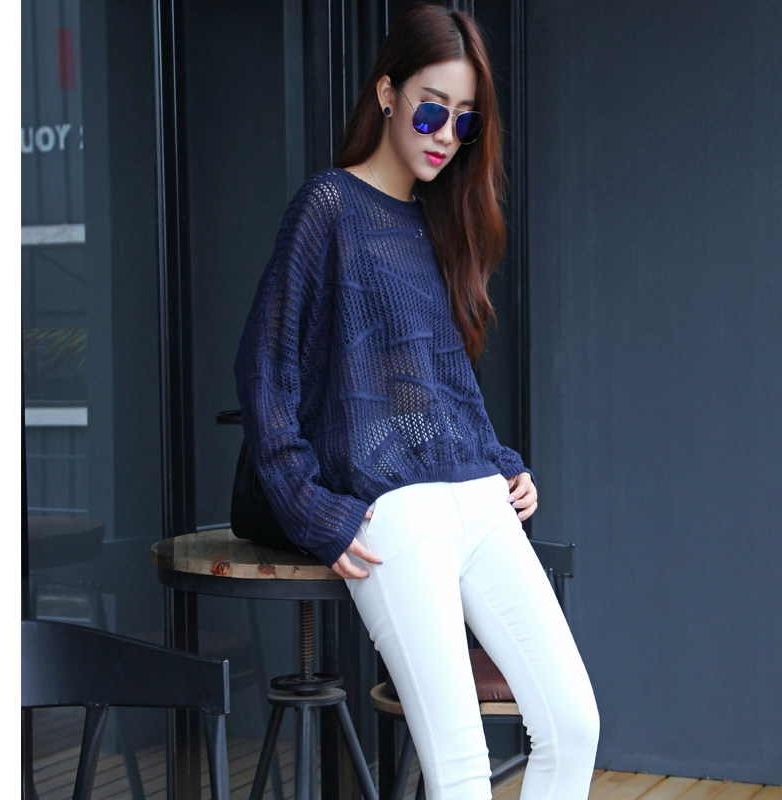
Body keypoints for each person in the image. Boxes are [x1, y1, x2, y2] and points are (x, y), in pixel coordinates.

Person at [234, 3, 599, 798]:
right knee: (460, 771)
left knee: (574, 725)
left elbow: (442, 384)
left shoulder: (438, 220)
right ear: (387, 92)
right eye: (432, 109)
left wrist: (501, 462)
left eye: (464, 121)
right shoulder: (328, 207)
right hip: (394, 514)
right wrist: (310, 506)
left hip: (477, 499)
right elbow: (264, 370)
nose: (444, 134)